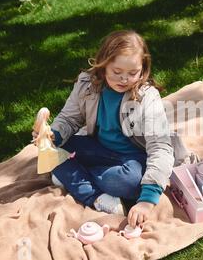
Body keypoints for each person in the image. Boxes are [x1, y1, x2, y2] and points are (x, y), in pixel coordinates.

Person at [31, 30, 179, 227]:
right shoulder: (87, 84)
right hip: (98, 148)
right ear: (103, 66)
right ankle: (94, 194)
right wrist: (52, 136)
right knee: (49, 150)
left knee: (132, 184)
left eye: (132, 73)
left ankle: (73, 176)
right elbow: (69, 118)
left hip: (132, 160)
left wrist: (146, 201)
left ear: (143, 70)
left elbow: (160, 147)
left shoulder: (148, 98)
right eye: (117, 72)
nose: (124, 79)